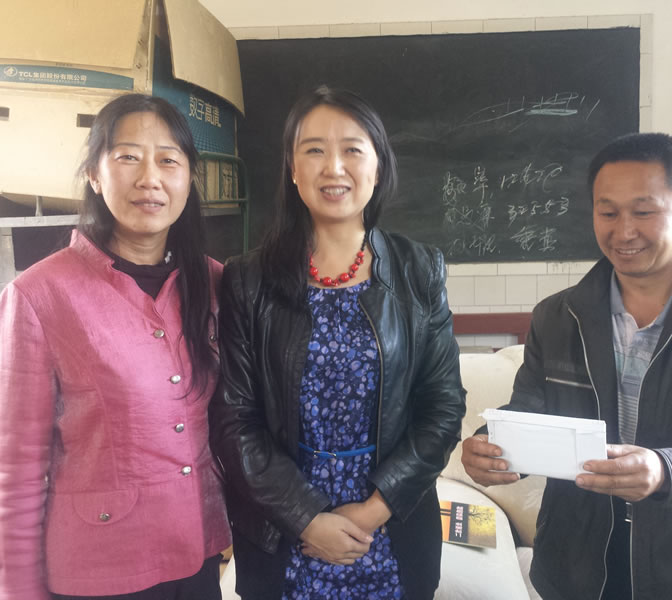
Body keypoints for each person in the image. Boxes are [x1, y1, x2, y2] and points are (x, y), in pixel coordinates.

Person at [461, 132, 672, 600]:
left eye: (643, 211)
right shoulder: (557, 316)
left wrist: (666, 470)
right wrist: (492, 447)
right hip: (574, 569)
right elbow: (529, 409)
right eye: (608, 212)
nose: (623, 231)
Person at [209, 85, 465, 600]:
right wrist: (307, 518)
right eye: (314, 150)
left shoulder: (419, 271)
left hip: (390, 525)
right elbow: (235, 420)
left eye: (352, 149)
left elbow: (442, 407)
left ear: (378, 166)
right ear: (292, 168)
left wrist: (371, 512)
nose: (334, 167)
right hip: (285, 532)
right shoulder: (247, 280)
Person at [0, 94, 231, 599]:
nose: (150, 178)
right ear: (94, 173)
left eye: (168, 160)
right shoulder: (39, 296)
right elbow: (16, 469)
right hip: (99, 571)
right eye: (128, 156)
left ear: (189, 178)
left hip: (196, 559)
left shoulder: (214, 283)